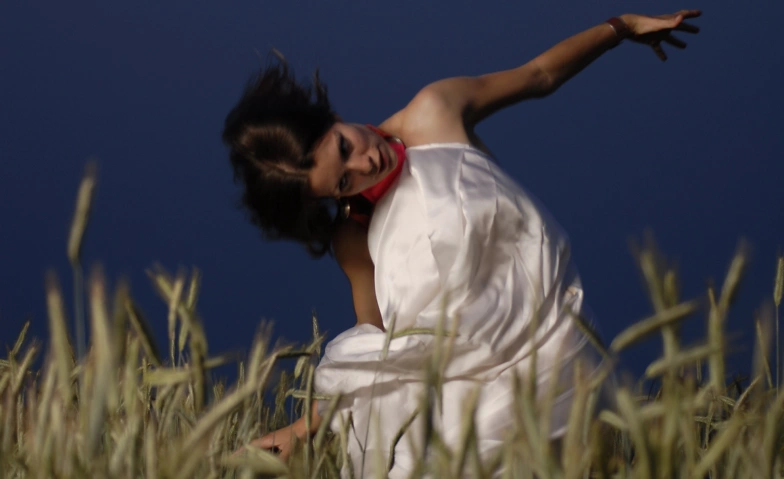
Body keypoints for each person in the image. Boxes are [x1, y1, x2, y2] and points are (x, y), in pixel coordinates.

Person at [223, 10, 701, 477]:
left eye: (345, 147)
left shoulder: (433, 113)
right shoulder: (353, 236)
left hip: (547, 348)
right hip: (455, 390)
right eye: (344, 181)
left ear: (335, 117)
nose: (365, 165)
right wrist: (305, 428)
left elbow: (539, 75)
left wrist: (621, 27)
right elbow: (378, 354)